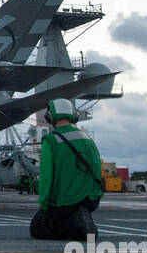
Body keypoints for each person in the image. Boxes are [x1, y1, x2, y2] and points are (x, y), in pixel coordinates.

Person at [30, 98, 103, 239]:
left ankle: (79, 223)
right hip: (92, 199)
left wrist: (44, 205)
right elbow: (97, 166)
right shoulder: (87, 138)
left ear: (49, 117)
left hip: (65, 199)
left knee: (38, 229)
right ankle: (80, 215)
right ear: (73, 115)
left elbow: (46, 176)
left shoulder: (51, 140)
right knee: (65, 214)